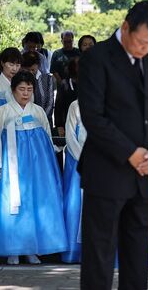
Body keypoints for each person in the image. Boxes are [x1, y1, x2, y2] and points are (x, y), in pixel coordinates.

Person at [77, 1, 148, 289]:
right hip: (106, 173)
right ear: (125, 28)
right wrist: (131, 153)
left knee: (137, 259)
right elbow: (93, 118)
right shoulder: (97, 58)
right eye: (143, 42)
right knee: (99, 259)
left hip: (144, 175)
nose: (147, 49)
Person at [0, 70, 67, 265]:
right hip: (11, 163)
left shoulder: (37, 110)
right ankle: (13, 249)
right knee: (12, 204)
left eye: (29, 89)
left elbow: (47, 136)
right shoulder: (3, 111)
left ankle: (32, 249)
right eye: (21, 89)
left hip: (37, 167)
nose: (26, 93)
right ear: (13, 90)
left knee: (34, 204)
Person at [61, 100, 86, 263]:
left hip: (101, 161)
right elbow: (70, 134)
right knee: (74, 203)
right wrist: (82, 160)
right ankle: (73, 250)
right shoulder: (75, 105)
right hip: (77, 160)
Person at [20, 51, 55, 128]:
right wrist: (28, 120)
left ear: (38, 65)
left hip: (44, 122)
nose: (31, 73)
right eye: (28, 70)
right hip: (24, 123)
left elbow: (50, 103)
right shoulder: (19, 80)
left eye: (33, 70)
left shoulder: (48, 79)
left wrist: (41, 119)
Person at [55, 57, 79, 137]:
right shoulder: (64, 84)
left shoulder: (89, 83)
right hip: (67, 122)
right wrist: (59, 125)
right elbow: (58, 106)